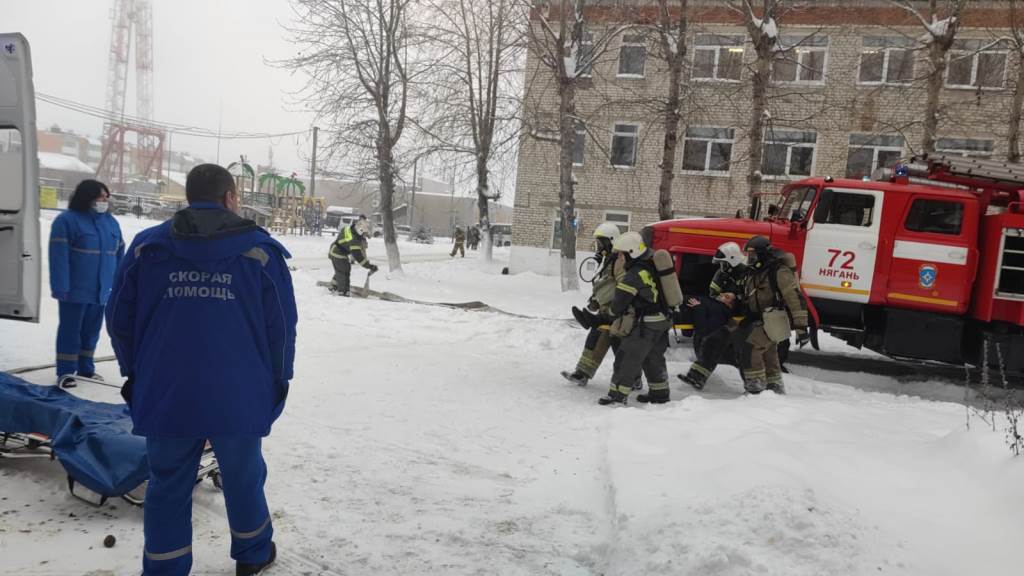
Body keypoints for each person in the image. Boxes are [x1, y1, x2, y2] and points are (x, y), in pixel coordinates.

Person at [106, 164, 298, 576]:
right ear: (230, 197)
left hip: (166, 387)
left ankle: (165, 567)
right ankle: (253, 554)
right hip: (239, 390)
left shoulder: (147, 249)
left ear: (189, 197)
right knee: (243, 474)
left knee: (169, 480)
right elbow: (280, 325)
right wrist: (280, 377)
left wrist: (135, 369)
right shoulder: (260, 252)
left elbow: (118, 316)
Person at [49, 179, 124, 387]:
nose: (105, 201)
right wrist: (60, 287)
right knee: (71, 330)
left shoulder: (111, 223)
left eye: (106, 197)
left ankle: (86, 368)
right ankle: (65, 371)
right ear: (87, 197)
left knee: (92, 331)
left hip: (101, 291)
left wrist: (118, 283)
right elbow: (58, 257)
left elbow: (119, 254)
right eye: (101, 197)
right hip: (74, 290)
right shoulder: (67, 221)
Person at [598, 231, 672, 406]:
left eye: (622, 254)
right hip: (663, 320)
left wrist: (607, 314)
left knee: (626, 357)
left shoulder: (632, 276)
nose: (620, 258)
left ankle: (617, 395)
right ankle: (660, 393)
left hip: (645, 325)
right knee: (653, 357)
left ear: (631, 253)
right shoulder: (651, 265)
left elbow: (617, 306)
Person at [734, 235, 808, 394]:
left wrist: (801, 327)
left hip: (774, 319)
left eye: (752, 255)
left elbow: (794, 298)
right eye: (748, 255)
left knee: (751, 347)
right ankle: (775, 388)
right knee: (769, 352)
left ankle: (756, 389)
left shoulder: (779, 271)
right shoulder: (752, 272)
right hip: (758, 319)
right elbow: (749, 295)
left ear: (762, 254)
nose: (749, 259)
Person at [677, 242, 749, 391]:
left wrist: (736, 297)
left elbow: (751, 297)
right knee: (712, 343)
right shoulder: (721, 274)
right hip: (726, 316)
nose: (721, 267)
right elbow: (713, 294)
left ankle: (753, 384)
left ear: (732, 260)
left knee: (741, 352)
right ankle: (697, 376)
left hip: (743, 317)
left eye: (723, 263)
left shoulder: (746, 274)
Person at [562, 222, 621, 386]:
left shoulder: (619, 260)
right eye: (598, 243)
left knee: (619, 348)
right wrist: (595, 302)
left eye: (602, 242)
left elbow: (620, 286)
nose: (599, 246)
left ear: (612, 241)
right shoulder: (608, 260)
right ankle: (582, 373)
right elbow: (603, 283)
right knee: (595, 337)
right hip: (606, 311)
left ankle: (634, 378)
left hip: (617, 313)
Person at [329, 216, 377, 296]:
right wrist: (370, 266)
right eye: (364, 234)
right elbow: (359, 258)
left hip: (336, 251)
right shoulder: (354, 240)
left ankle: (334, 285)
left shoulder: (350, 229)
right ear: (360, 231)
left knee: (344, 268)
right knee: (343, 270)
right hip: (337, 253)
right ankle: (342, 291)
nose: (364, 236)